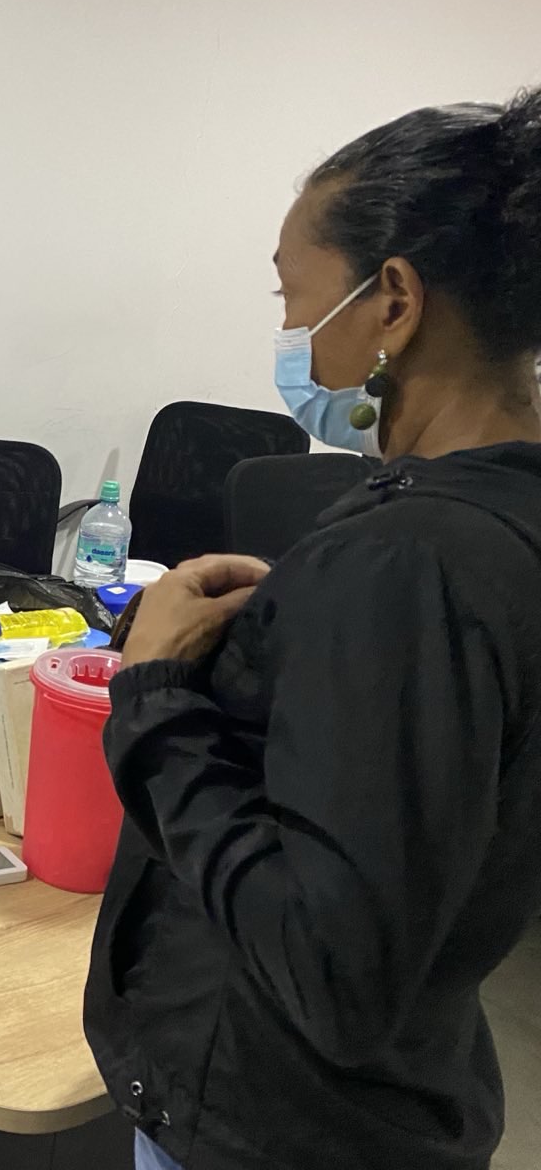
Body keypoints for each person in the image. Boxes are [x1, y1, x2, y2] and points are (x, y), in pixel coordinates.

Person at [86, 88, 541, 1170]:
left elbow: (329, 968)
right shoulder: (492, 520)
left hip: (269, 1116)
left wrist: (153, 696)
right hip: (401, 1086)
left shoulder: (405, 562)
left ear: (394, 302)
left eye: (296, 299)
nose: (291, 339)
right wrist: (289, 631)